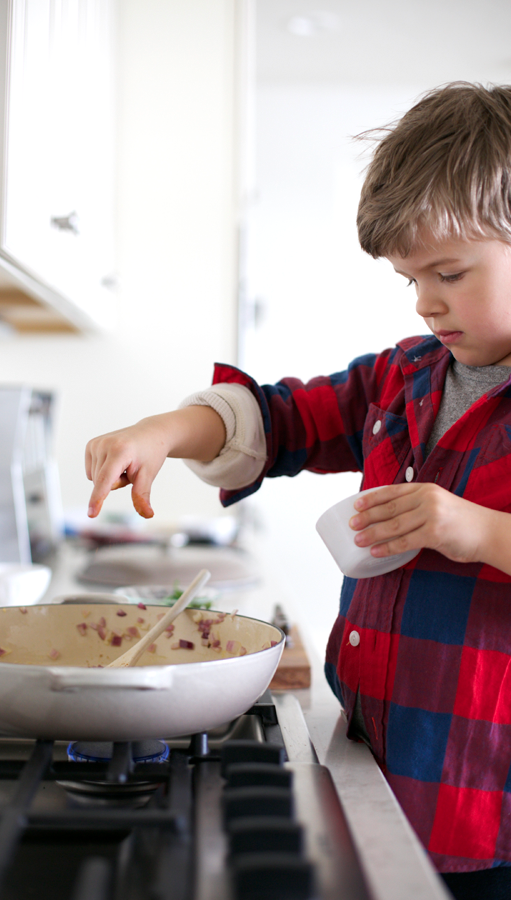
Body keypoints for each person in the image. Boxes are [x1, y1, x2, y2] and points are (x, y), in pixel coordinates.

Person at [85, 83, 511, 899]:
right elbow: (278, 418)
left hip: (486, 804)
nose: (425, 300)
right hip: (380, 762)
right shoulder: (403, 376)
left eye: (449, 273)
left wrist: (475, 530)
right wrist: (163, 433)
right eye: (408, 278)